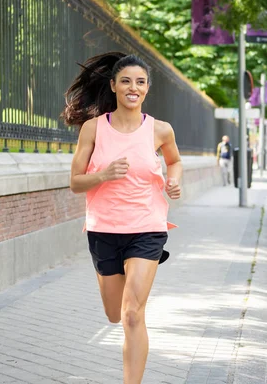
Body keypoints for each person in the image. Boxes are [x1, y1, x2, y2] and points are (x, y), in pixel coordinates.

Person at [62, 51, 182, 384]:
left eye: (140, 82)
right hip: (103, 230)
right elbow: (75, 183)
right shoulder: (93, 129)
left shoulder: (160, 130)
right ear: (113, 85)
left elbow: (174, 162)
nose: (133, 87)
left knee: (132, 315)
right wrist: (104, 175)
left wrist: (174, 181)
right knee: (114, 314)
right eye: (126, 81)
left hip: (147, 229)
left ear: (147, 89)